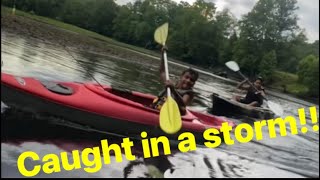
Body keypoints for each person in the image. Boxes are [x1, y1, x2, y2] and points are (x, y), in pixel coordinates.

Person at [150, 47, 199, 115]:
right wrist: (162, 54)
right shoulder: (172, 84)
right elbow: (162, 72)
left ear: (194, 83)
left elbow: (183, 103)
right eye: (186, 77)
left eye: (192, 80)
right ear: (181, 76)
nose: (188, 81)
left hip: (171, 115)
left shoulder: (189, 94)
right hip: (157, 109)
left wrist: (173, 90)